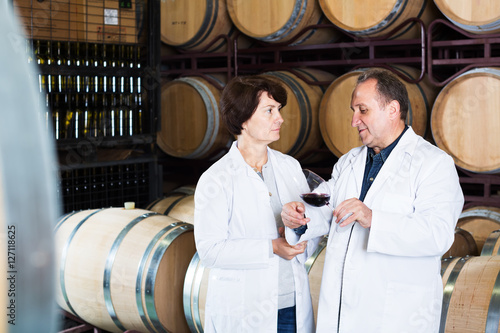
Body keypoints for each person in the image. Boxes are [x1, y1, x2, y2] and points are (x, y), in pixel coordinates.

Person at [281, 69, 464, 332]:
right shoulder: (349, 161)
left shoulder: (433, 163)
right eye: (353, 111)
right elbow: (327, 208)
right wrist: (298, 218)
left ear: (392, 109)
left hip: (395, 314)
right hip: (341, 311)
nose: (354, 121)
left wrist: (373, 219)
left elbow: (437, 234)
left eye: (362, 110)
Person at [194, 75, 322, 332]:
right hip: (245, 310)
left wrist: (300, 234)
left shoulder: (290, 167)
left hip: (292, 305)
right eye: (269, 110)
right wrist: (272, 247)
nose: (280, 118)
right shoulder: (216, 179)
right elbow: (210, 251)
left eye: (278, 110)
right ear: (243, 119)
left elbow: (311, 224)